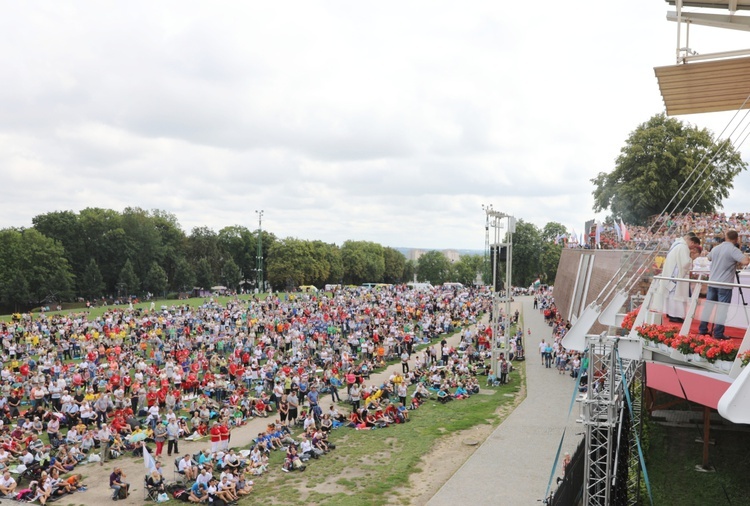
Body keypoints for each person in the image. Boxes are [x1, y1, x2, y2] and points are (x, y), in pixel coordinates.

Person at [698, 230, 750, 339]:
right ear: (736, 239)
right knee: (722, 309)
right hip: (724, 284)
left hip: (712, 282)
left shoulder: (716, 248)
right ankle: (718, 333)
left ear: (726, 237)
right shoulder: (733, 250)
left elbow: (708, 257)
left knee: (708, 307)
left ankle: (702, 329)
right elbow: (746, 261)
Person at [658, 233, 697, 322]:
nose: (692, 247)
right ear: (691, 241)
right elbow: (685, 263)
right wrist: (692, 259)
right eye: (693, 245)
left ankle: (670, 313)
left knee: (671, 295)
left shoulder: (676, 244)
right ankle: (675, 315)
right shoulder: (683, 247)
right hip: (676, 276)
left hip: (672, 274)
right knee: (675, 296)